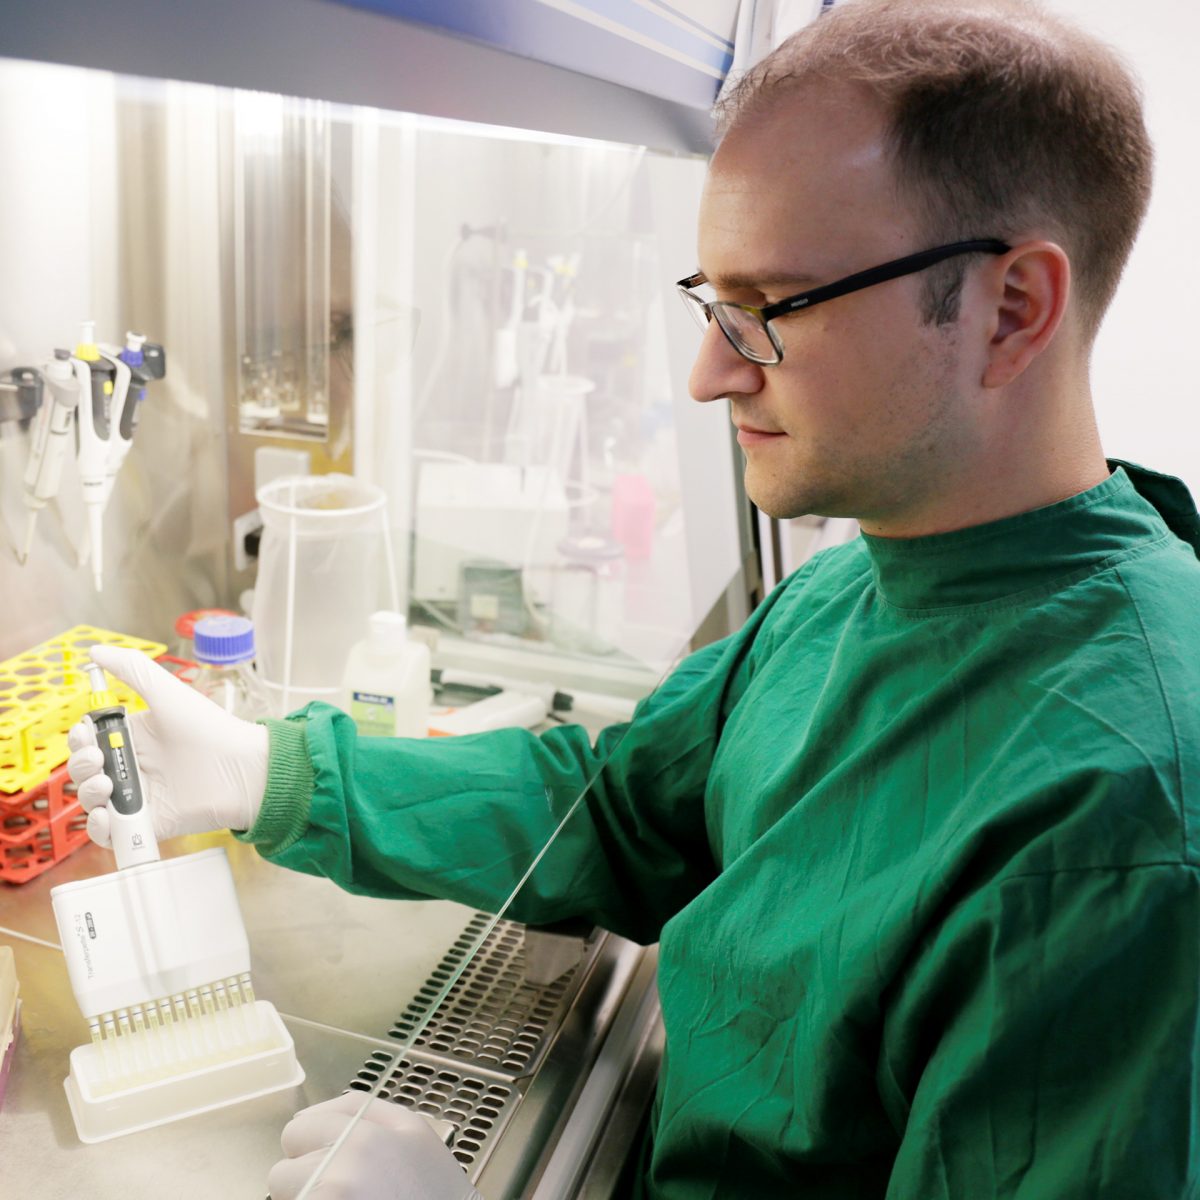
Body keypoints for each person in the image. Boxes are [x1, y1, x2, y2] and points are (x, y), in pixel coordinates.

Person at [69, 0, 1200, 1196]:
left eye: (771, 308)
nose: (713, 371)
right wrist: (276, 772)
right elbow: (620, 815)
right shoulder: (860, 581)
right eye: (711, 302)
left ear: (1011, 307)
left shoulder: (1126, 825)